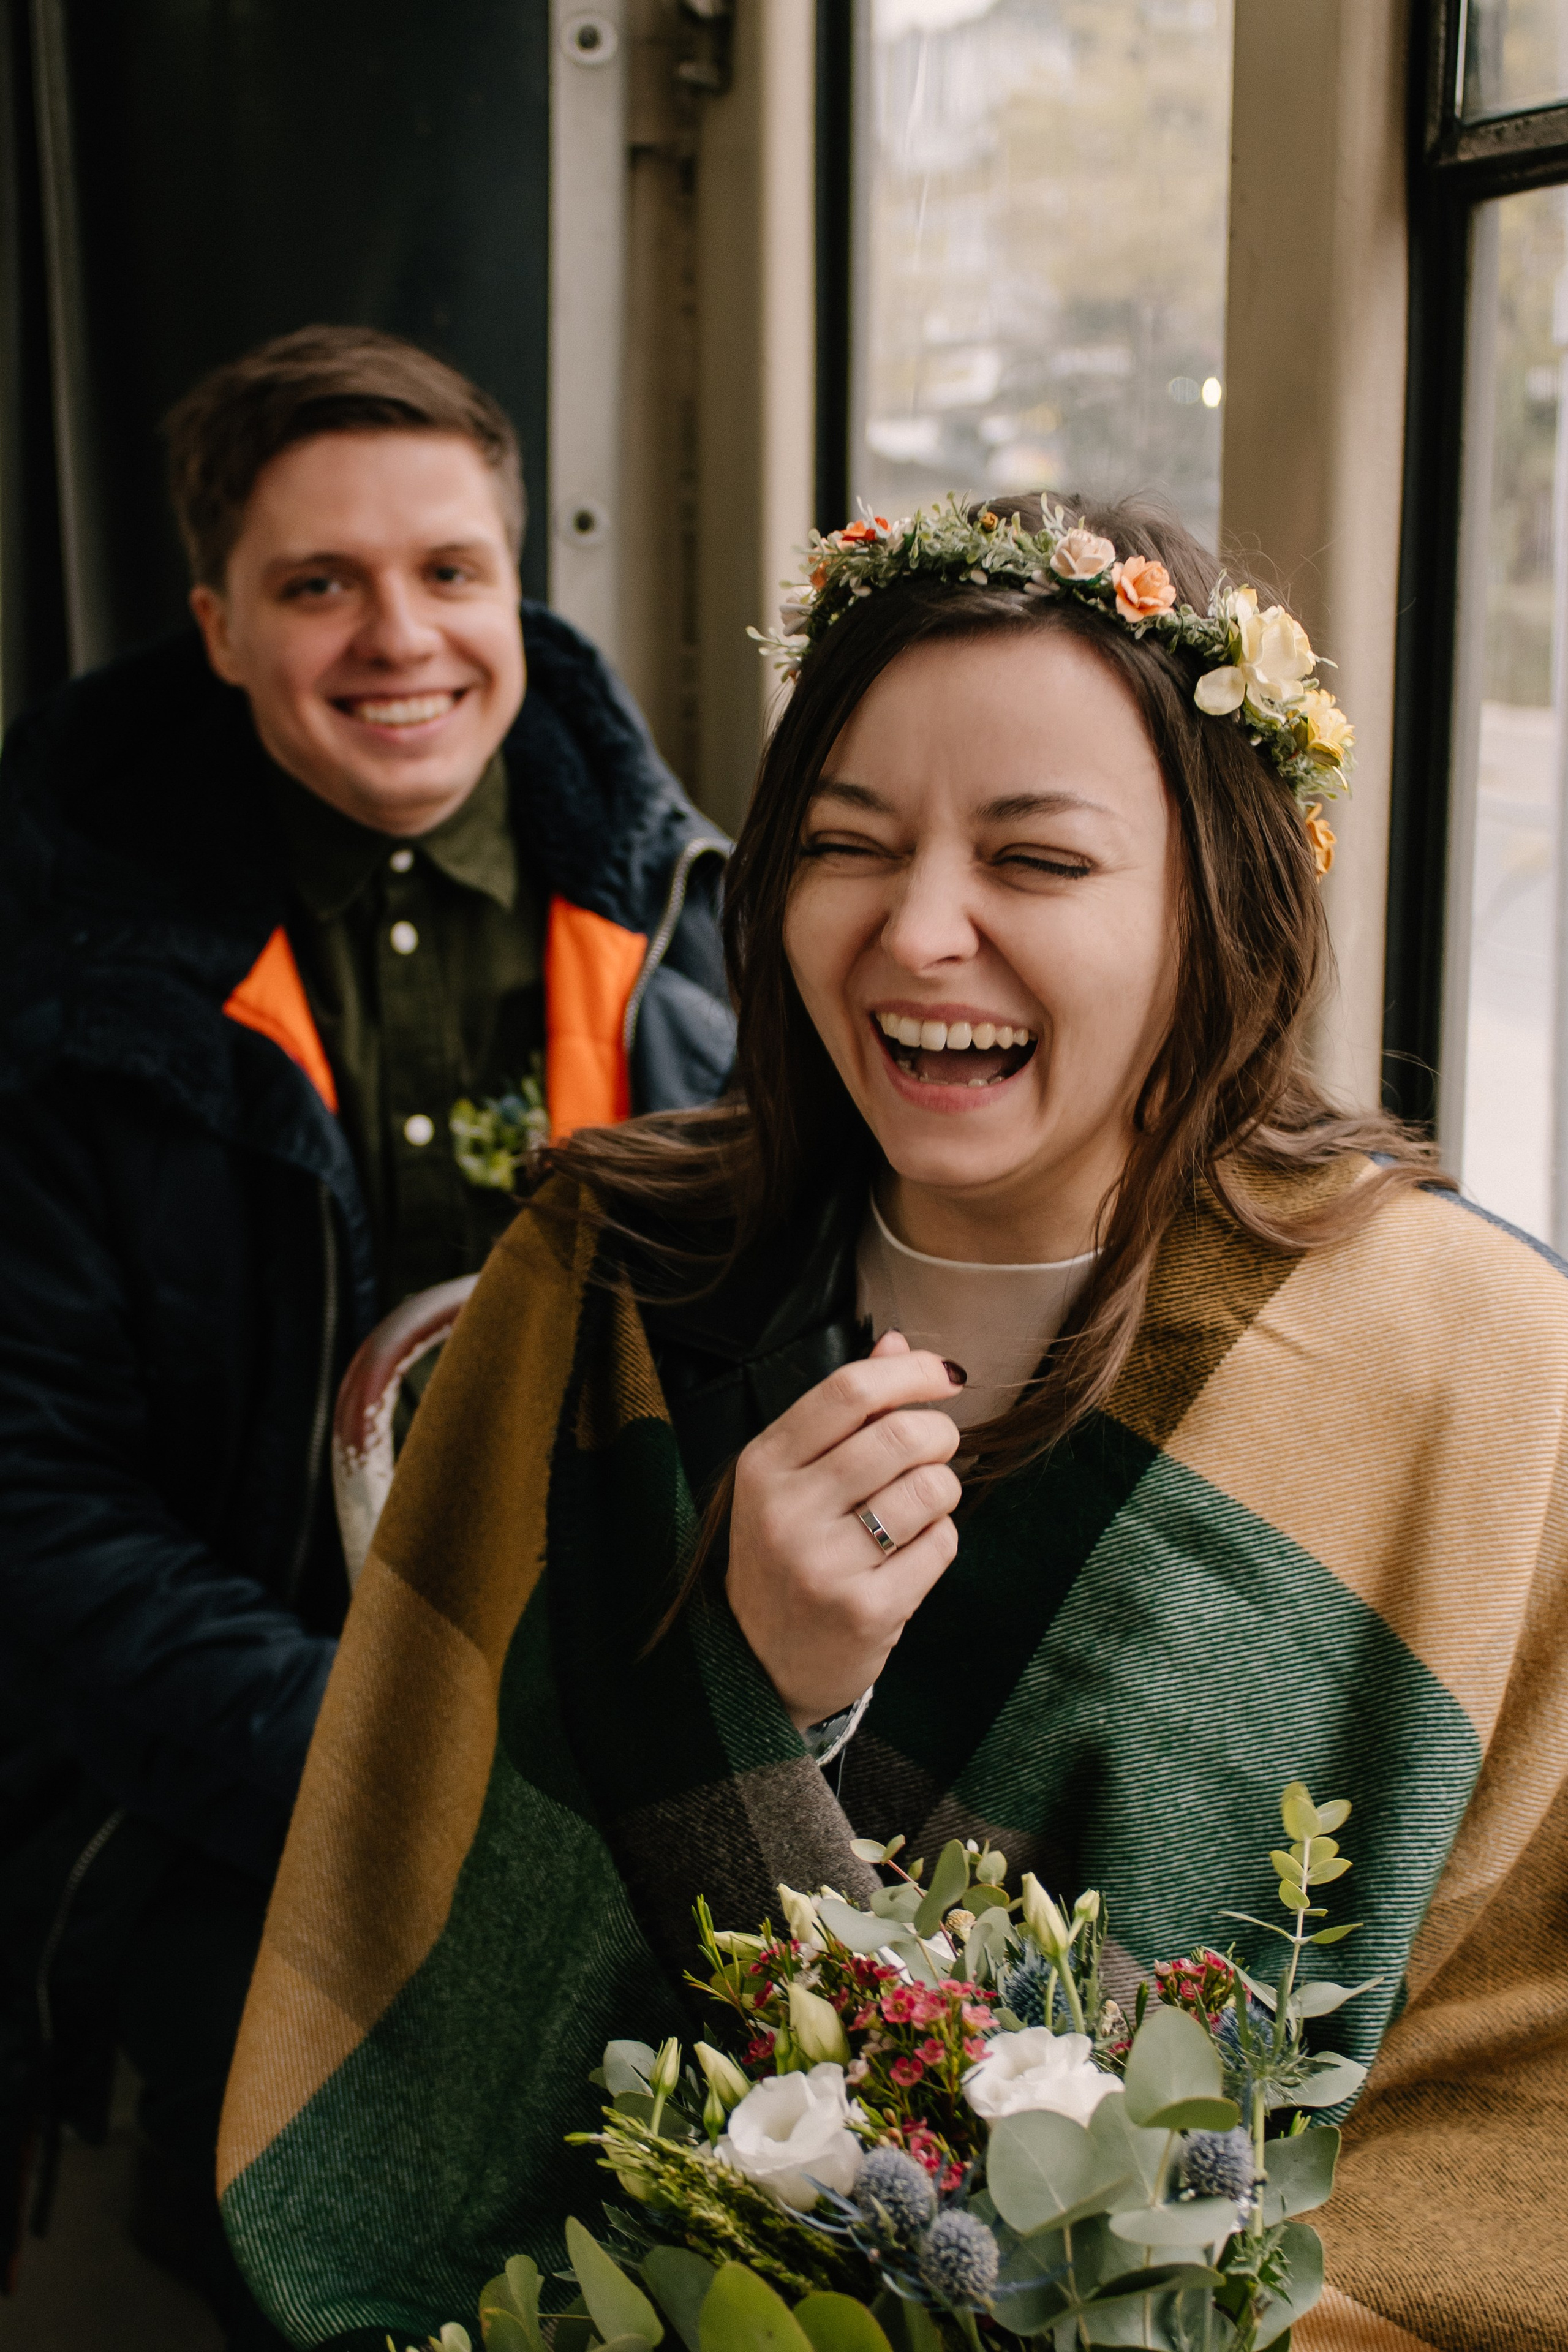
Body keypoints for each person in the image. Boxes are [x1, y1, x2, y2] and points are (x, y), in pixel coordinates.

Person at [217, 494, 1567, 2352]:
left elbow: (1513, 2080)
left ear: (1220, 901)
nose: (920, 932)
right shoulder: (605, 1283)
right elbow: (427, 1956)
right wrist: (746, 1692)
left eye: (1038, 861)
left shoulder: (1479, 1376)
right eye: (848, 846)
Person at [0, 326, 733, 2346]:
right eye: (320, 586)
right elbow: (45, 1510)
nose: (399, 637)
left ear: (518, 587)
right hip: (215, 1760)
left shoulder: (682, 930)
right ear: (220, 625)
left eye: (451, 573)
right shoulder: (64, 1001)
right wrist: (388, 1762)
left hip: (611, 1711)